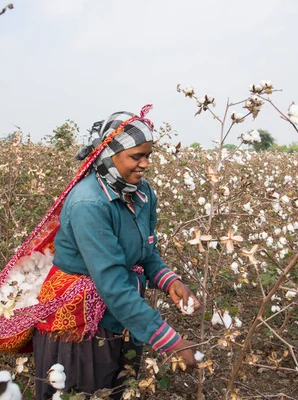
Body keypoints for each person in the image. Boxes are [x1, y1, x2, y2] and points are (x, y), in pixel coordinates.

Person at [33, 108, 200, 399]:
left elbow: (146, 251)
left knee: (120, 387)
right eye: (136, 157)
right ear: (109, 156)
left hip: (123, 313)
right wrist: (172, 342)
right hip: (81, 325)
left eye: (148, 156)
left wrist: (169, 281)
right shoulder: (89, 204)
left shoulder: (142, 193)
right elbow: (111, 282)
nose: (145, 164)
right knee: (87, 388)